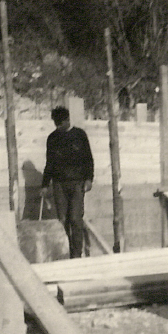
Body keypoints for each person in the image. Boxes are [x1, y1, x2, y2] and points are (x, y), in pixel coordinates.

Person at [40, 106, 94, 258]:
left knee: (76, 219)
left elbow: (88, 159)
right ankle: (65, 253)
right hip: (59, 184)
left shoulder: (79, 135)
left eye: (60, 123)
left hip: (77, 183)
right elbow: (49, 163)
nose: (58, 127)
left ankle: (77, 254)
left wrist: (89, 179)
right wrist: (44, 185)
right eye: (56, 124)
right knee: (62, 221)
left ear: (67, 120)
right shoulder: (52, 138)